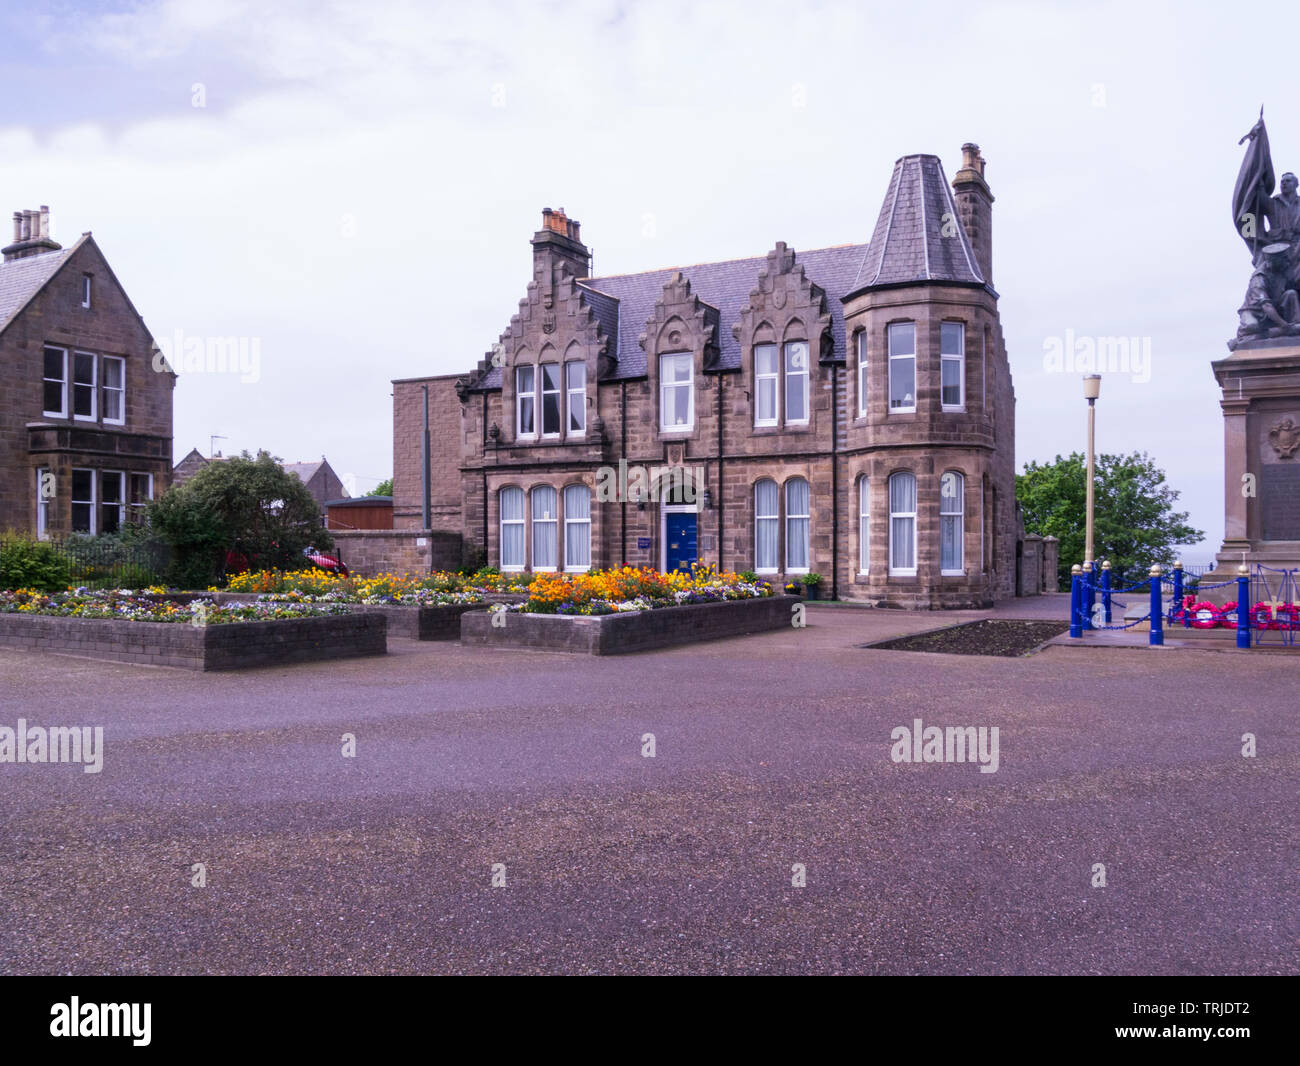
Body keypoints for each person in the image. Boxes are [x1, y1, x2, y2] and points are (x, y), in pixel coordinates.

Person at [1237, 242, 1300, 340]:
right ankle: (1282, 331)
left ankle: (1296, 328)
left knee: (1291, 294)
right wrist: (1285, 326)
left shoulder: (1283, 270)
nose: (1287, 260)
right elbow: (1266, 306)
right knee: (1252, 326)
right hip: (1256, 312)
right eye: (1284, 258)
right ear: (1274, 261)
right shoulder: (1259, 278)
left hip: (1275, 306)